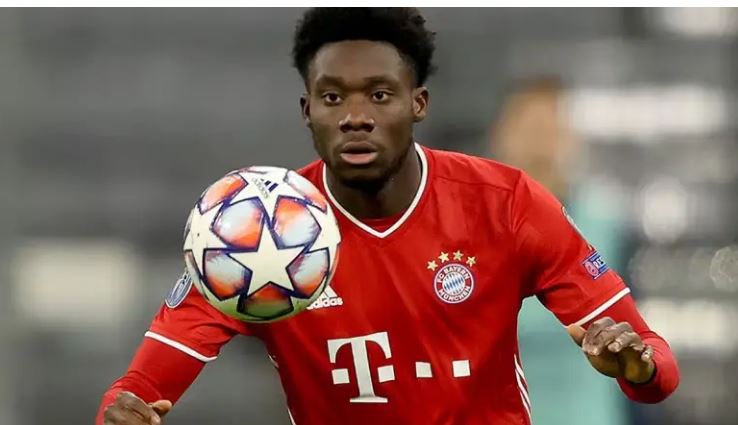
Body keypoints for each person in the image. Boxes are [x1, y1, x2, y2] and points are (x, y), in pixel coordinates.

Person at [97, 8, 679, 425]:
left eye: (379, 95)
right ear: (307, 110)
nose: (355, 116)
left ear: (417, 104)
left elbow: (656, 367)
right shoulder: (255, 231)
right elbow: (136, 391)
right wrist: (124, 413)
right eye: (333, 98)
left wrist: (635, 364)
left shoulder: (506, 203)